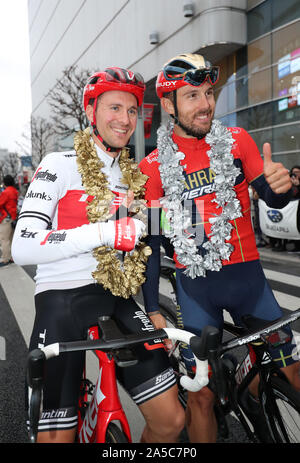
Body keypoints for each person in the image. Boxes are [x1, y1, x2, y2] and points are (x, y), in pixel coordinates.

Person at [12, 67, 185, 443]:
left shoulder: (135, 175)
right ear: (91, 111)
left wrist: (187, 219)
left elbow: (159, 235)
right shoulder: (58, 164)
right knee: (56, 439)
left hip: (117, 296)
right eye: (114, 108)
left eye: (131, 110)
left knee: (171, 420)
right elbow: (22, 245)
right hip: (61, 297)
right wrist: (104, 231)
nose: (124, 119)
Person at [139, 53, 300, 442]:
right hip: (198, 294)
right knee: (201, 397)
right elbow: (153, 242)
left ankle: (258, 395)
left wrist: (285, 188)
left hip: (250, 284)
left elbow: (273, 198)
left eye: (209, 93)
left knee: (292, 373)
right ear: (168, 104)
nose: (206, 104)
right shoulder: (152, 168)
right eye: (192, 95)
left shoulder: (239, 141)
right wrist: (150, 310)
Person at [0, 174, 18, 266]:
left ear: (4, 183)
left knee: (4, 239)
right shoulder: (15, 191)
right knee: (11, 239)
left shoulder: (6, 192)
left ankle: (5, 259)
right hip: (13, 218)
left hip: (6, 218)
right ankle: (12, 257)